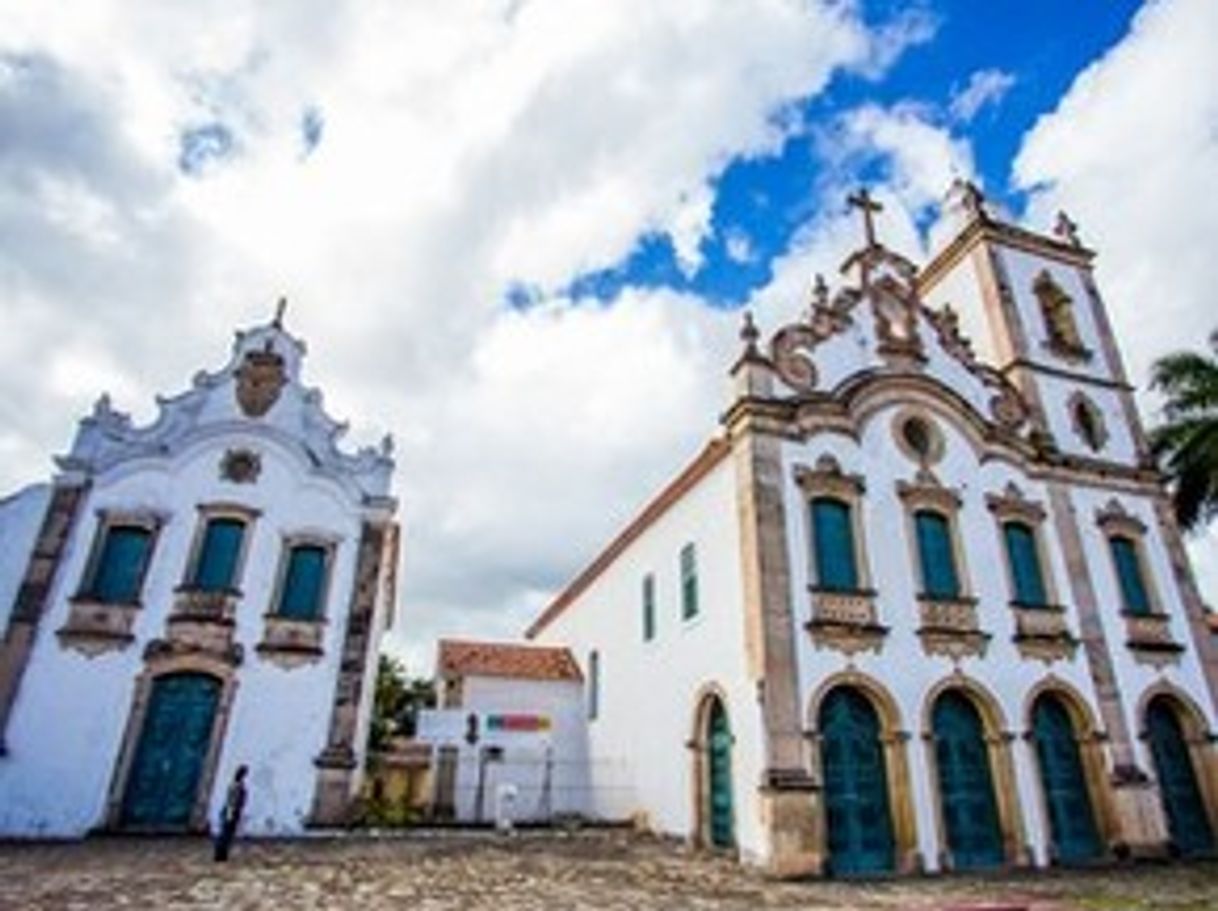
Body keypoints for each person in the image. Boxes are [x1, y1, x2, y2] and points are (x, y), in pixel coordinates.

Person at [213, 764, 248, 862]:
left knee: (226, 833)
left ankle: (222, 854)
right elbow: (232, 801)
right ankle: (220, 854)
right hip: (231, 810)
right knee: (226, 833)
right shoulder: (236, 786)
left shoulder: (236, 784)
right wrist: (230, 813)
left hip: (233, 810)